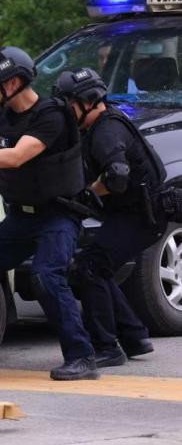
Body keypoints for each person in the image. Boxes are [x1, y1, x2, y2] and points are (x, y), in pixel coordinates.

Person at [0, 46, 99, 381]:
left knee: (46, 276)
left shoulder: (51, 114)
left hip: (58, 215)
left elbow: (15, 157)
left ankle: (82, 357)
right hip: (21, 218)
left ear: (13, 83)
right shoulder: (5, 117)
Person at [53, 68, 162, 366]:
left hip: (141, 216)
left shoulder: (106, 131)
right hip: (131, 213)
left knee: (88, 268)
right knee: (95, 266)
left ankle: (106, 347)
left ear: (88, 101)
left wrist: (89, 193)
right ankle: (134, 336)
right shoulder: (99, 124)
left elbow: (117, 175)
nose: (66, 110)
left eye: (69, 103)